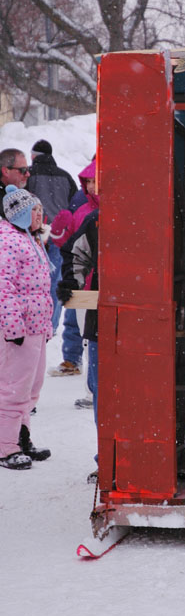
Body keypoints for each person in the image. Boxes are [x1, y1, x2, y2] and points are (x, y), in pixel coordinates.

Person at [0, 186, 52, 470]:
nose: (39, 216)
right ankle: (5, 447)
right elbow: (3, 287)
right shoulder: (8, 241)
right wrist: (12, 327)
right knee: (13, 389)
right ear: (19, 214)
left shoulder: (30, 239)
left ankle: (22, 439)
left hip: (35, 326)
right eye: (34, 211)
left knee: (31, 389)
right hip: (17, 329)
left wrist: (45, 326)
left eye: (40, 211)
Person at [57, 209, 99, 479]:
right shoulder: (97, 219)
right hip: (102, 321)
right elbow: (74, 254)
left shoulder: (162, 211)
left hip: (152, 323)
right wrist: (72, 282)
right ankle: (107, 458)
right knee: (103, 392)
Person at [48, 159, 99, 379]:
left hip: (105, 287)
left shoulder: (115, 212)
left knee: (100, 338)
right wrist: (59, 234)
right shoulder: (82, 210)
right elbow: (70, 247)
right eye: (87, 182)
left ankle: (95, 386)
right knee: (85, 335)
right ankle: (86, 378)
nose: (90, 187)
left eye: (95, 181)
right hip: (82, 286)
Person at [26, 139, 78, 333]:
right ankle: (51, 324)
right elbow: (74, 205)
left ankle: (35, 323)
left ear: (34, 156)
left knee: (33, 281)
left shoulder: (29, 175)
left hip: (35, 235)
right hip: (58, 235)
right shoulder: (65, 176)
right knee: (55, 281)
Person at [0, 147, 31, 217]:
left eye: (28, 169)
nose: (28, 174)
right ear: (6, 171)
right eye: (23, 170)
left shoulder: (24, 192)